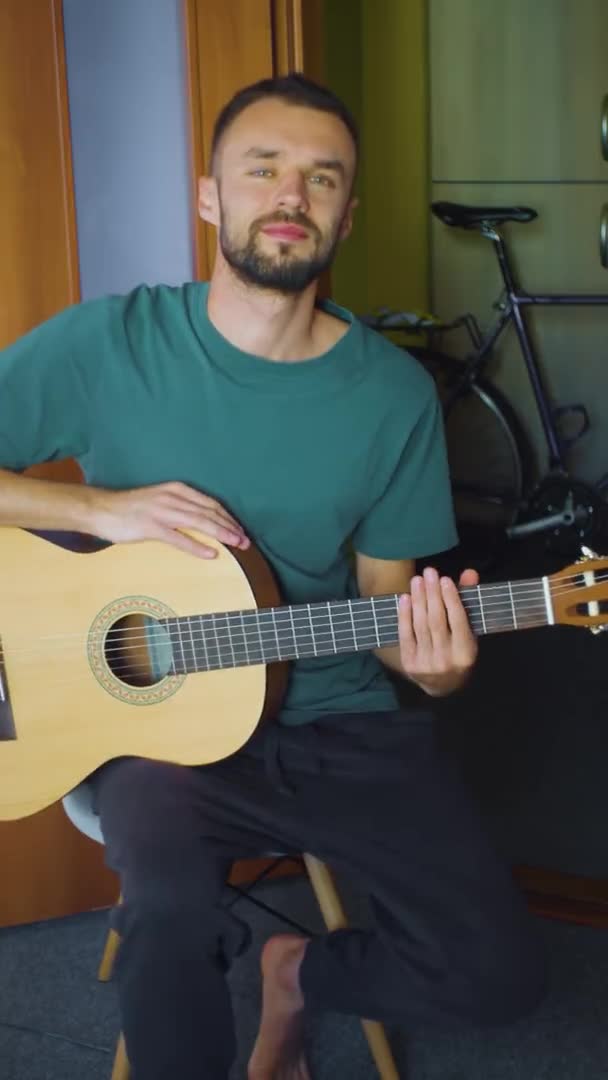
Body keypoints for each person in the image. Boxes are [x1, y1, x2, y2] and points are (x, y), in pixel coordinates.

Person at [0, 74, 545, 1079]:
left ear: (344, 215)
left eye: (320, 178)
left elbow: (384, 607)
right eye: (263, 169)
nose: (290, 196)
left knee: (497, 976)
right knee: (164, 925)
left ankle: (300, 973)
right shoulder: (110, 344)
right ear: (210, 196)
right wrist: (97, 510)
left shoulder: (391, 396)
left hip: (340, 722)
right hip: (159, 740)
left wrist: (435, 664)